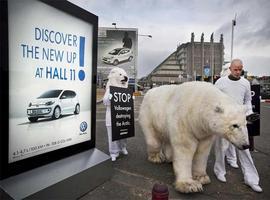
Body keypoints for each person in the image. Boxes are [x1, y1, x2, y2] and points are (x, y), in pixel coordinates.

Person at [213, 59, 263, 193]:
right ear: (230, 68)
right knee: (221, 148)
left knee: (245, 150)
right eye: (235, 69)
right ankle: (220, 171)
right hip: (225, 121)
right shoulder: (220, 82)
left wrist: (249, 113)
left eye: (240, 69)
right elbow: (214, 99)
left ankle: (251, 179)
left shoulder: (245, 83)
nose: (238, 71)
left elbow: (247, 100)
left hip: (240, 121)